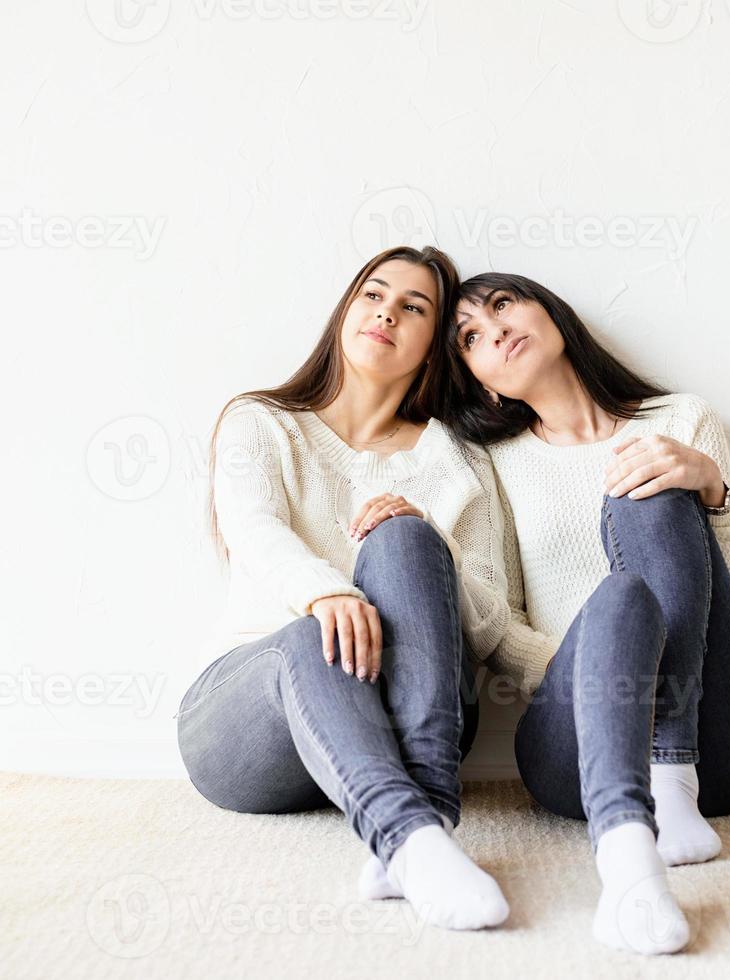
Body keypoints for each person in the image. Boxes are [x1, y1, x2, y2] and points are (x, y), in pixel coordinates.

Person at [176, 246, 540, 932]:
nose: (386, 313)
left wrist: (434, 543)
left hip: (411, 728)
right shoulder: (261, 421)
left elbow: (492, 618)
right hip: (248, 722)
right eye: (373, 295)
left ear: (435, 345)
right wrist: (328, 594)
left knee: (405, 535)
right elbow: (253, 531)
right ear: (346, 309)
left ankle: (423, 819)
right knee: (309, 637)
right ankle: (410, 835)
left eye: (413, 307)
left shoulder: (459, 460)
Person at [442, 271, 730, 954]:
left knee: (650, 482)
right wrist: (602, 662)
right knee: (622, 597)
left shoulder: (678, 420)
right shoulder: (492, 462)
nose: (495, 329)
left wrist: (713, 490)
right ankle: (648, 799)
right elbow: (494, 624)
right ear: (482, 381)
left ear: (551, 313)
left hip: (727, 741)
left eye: (503, 305)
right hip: (578, 745)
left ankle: (673, 766)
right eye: (471, 337)